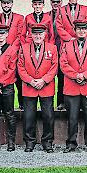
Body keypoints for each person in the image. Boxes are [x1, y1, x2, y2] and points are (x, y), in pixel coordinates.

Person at [60, 19, 87, 153]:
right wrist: (76, 75)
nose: (82, 31)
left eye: (84, 29)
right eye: (79, 29)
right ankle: (71, 144)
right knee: (72, 118)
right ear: (75, 30)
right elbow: (63, 64)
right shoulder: (67, 45)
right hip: (71, 88)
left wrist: (84, 76)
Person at [17, 23, 59, 152]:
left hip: (46, 87)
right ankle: (29, 142)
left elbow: (54, 67)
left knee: (48, 116)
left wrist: (43, 80)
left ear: (45, 34)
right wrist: (30, 81)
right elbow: (21, 67)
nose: (38, 36)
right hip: (29, 87)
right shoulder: (24, 48)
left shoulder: (52, 48)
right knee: (29, 116)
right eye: (35, 34)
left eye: (40, 33)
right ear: (31, 35)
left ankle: (47, 142)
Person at [47, 0, 66, 110]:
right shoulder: (46, 16)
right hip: (49, 50)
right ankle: (48, 104)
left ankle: (61, 102)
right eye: (53, 2)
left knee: (62, 77)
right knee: (49, 77)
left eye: (58, 2)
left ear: (61, 2)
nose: (55, 4)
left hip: (61, 49)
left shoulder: (64, 15)